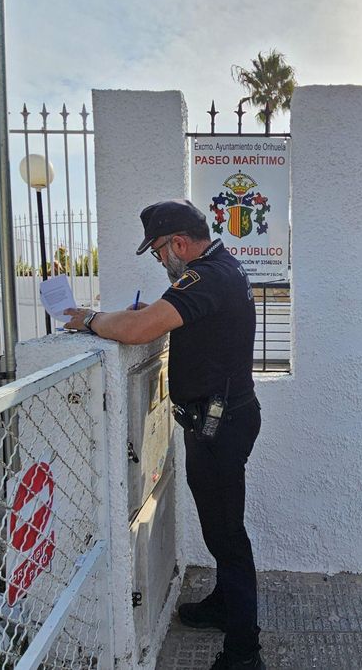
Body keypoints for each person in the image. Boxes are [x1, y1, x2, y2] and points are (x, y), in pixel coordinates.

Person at [63, 199, 264, 670]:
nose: (159, 260)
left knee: (228, 535)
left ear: (178, 243)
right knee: (220, 529)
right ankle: (224, 605)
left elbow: (137, 330)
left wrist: (91, 319)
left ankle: (244, 652)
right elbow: (168, 319)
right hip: (221, 420)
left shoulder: (204, 277)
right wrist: (148, 313)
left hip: (219, 426)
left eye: (158, 251)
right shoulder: (222, 268)